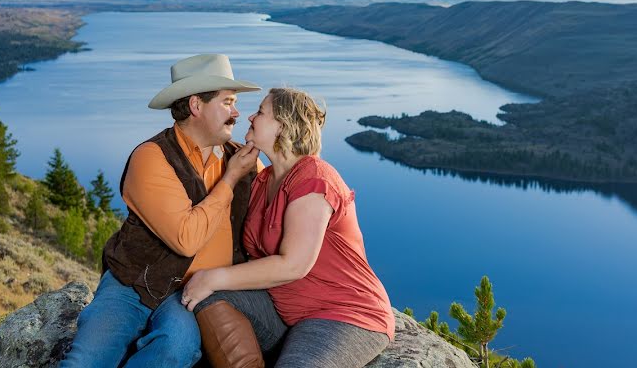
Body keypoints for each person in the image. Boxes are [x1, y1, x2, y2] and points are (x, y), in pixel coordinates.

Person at [61, 53, 262, 367]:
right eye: (227, 102)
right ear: (196, 105)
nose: (237, 113)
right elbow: (186, 239)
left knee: (175, 348)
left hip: (191, 295)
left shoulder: (246, 163)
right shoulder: (151, 157)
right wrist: (231, 177)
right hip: (132, 284)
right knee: (87, 360)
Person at [181, 87, 394, 368]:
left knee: (211, 286)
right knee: (211, 299)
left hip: (343, 314)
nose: (250, 117)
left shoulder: (314, 178)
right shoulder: (262, 180)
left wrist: (212, 277)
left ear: (282, 125)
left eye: (260, 112)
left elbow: (294, 265)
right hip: (285, 312)